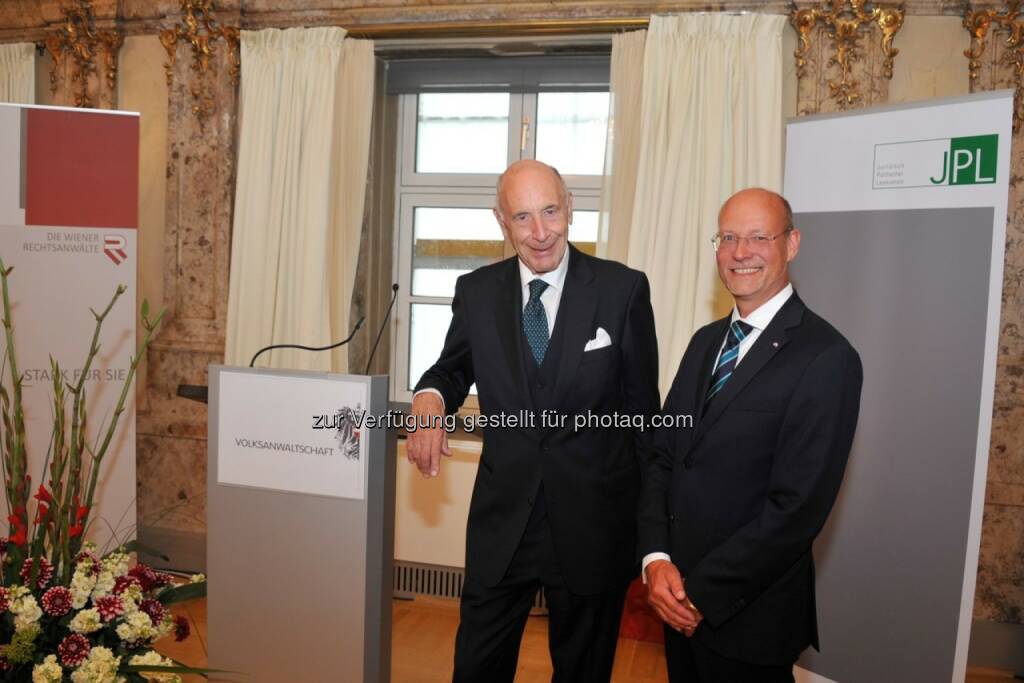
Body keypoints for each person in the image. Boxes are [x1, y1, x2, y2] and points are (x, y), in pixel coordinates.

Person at [408, 159, 660, 682]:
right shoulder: (477, 292)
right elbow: (450, 370)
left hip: (594, 527)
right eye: (522, 217)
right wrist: (430, 398)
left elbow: (644, 422)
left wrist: (651, 531)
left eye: (550, 211)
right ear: (501, 222)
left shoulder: (623, 291)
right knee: (476, 668)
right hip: (504, 525)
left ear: (570, 207)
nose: (540, 232)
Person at [639, 188, 863, 682]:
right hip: (675, 605)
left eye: (759, 237)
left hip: (749, 618)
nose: (741, 252)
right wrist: (656, 560)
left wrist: (700, 594)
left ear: (793, 244)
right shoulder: (704, 344)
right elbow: (662, 456)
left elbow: (797, 509)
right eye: (729, 238)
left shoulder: (827, 358)